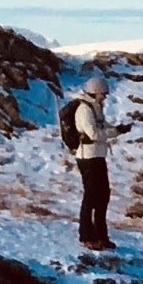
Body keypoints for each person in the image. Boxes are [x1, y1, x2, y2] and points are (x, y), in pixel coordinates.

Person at [59, 66, 115, 252]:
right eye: (103, 94)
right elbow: (93, 133)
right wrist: (109, 133)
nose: (105, 97)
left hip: (98, 155)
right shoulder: (84, 110)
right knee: (91, 197)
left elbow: (103, 129)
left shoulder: (96, 108)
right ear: (95, 92)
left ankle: (101, 235)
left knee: (103, 196)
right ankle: (87, 236)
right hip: (87, 157)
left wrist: (118, 130)